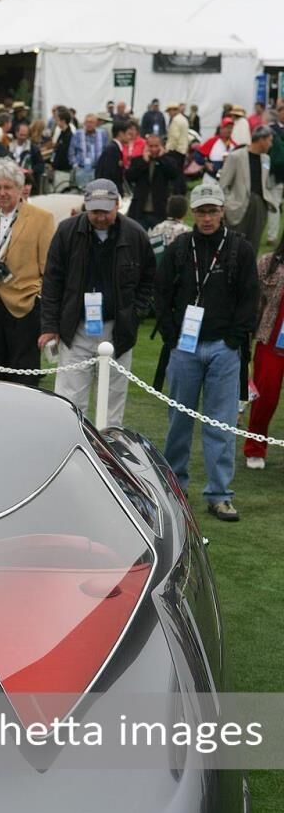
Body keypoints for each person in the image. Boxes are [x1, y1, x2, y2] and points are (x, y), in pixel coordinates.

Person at [155, 181, 258, 521]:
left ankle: (219, 494)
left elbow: (249, 298)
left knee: (221, 424)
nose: (207, 218)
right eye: (201, 211)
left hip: (224, 350)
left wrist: (234, 338)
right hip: (184, 347)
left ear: (222, 211)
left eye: (213, 211)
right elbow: (162, 293)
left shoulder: (240, 250)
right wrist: (171, 336)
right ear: (193, 214)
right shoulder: (180, 247)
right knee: (178, 421)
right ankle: (174, 487)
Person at [39, 178, 155, 427]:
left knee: (113, 403)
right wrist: (49, 326)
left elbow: (149, 280)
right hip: (76, 328)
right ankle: (70, 449)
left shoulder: (135, 234)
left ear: (118, 204)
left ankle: (109, 456)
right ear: (86, 206)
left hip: (117, 329)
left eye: (105, 210)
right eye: (95, 211)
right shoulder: (67, 231)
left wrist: (135, 313)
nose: (100, 216)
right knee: (69, 400)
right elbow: (52, 281)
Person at [0, 158, 54, 384]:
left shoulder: (42, 219)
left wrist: (38, 298)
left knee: (23, 374)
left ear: (20, 188)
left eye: (7, 187)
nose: (2, 193)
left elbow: (48, 268)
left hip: (25, 306)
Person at [244, 228, 284, 469]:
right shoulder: (269, 263)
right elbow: (254, 302)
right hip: (270, 342)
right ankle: (255, 447)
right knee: (265, 397)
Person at [219, 126, 277, 255]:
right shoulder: (236, 156)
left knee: (253, 246)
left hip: (260, 206)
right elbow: (223, 185)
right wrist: (228, 204)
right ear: (261, 140)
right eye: (269, 140)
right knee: (234, 246)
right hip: (239, 205)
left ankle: (249, 272)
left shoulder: (266, 159)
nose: (271, 144)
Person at [126, 134, 179, 230]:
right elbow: (130, 177)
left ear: (161, 146)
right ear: (146, 146)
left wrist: (160, 159)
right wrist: (144, 162)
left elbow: (174, 174)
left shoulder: (168, 160)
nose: (154, 149)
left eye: (156, 146)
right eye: (151, 146)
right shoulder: (138, 160)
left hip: (159, 210)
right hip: (140, 210)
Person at [68, 113, 108, 190]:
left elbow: (106, 151)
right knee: (82, 194)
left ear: (96, 123)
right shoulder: (78, 134)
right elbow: (71, 151)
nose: (89, 124)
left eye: (91, 122)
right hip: (82, 170)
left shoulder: (102, 134)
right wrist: (75, 165)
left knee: (97, 194)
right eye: (87, 122)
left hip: (97, 169)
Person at [94, 115, 130, 193]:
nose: (129, 137)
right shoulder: (112, 150)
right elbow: (109, 174)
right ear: (121, 134)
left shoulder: (115, 148)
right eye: (128, 134)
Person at [164, 100, 190, 194]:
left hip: (176, 150)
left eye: (169, 111)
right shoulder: (184, 119)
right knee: (180, 171)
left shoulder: (175, 120)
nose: (169, 114)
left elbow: (174, 137)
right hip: (182, 149)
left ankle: (177, 191)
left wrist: (168, 149)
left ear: (173, 110)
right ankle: (182, 190)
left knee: (175, 173)